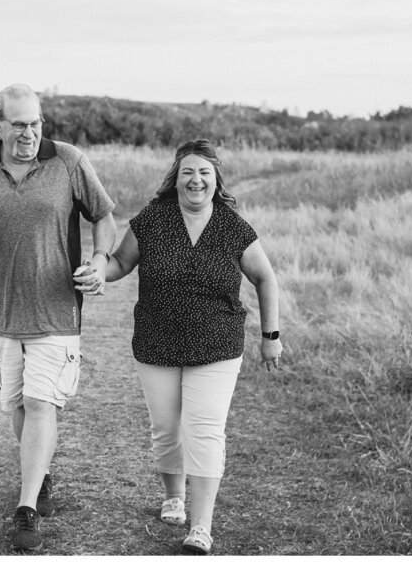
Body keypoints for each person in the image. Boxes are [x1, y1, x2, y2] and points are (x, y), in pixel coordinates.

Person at [74, 138, 282, 555]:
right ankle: (173, 496)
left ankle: (202, 526)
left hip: (217, 344)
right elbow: (120, 263)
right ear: (176, 177)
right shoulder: (153, 219)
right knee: (168, 429)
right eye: (188, 171)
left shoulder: (232, 225)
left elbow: (265, 278)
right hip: (156, 341)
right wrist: (98, 273)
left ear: (215, 179)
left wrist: (270, 337)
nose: (196, 179)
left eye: (204, 172)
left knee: (204, 431)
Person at [0, 83, 116, 552]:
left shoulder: (68, 161)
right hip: (1, 310)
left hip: (56, 309)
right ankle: (41, 475)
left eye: (35, 123)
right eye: (18, 125)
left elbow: (103, 216)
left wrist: (99, 262)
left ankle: (27, 511)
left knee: (41, 405)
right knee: (17, 407)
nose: (29, 133)